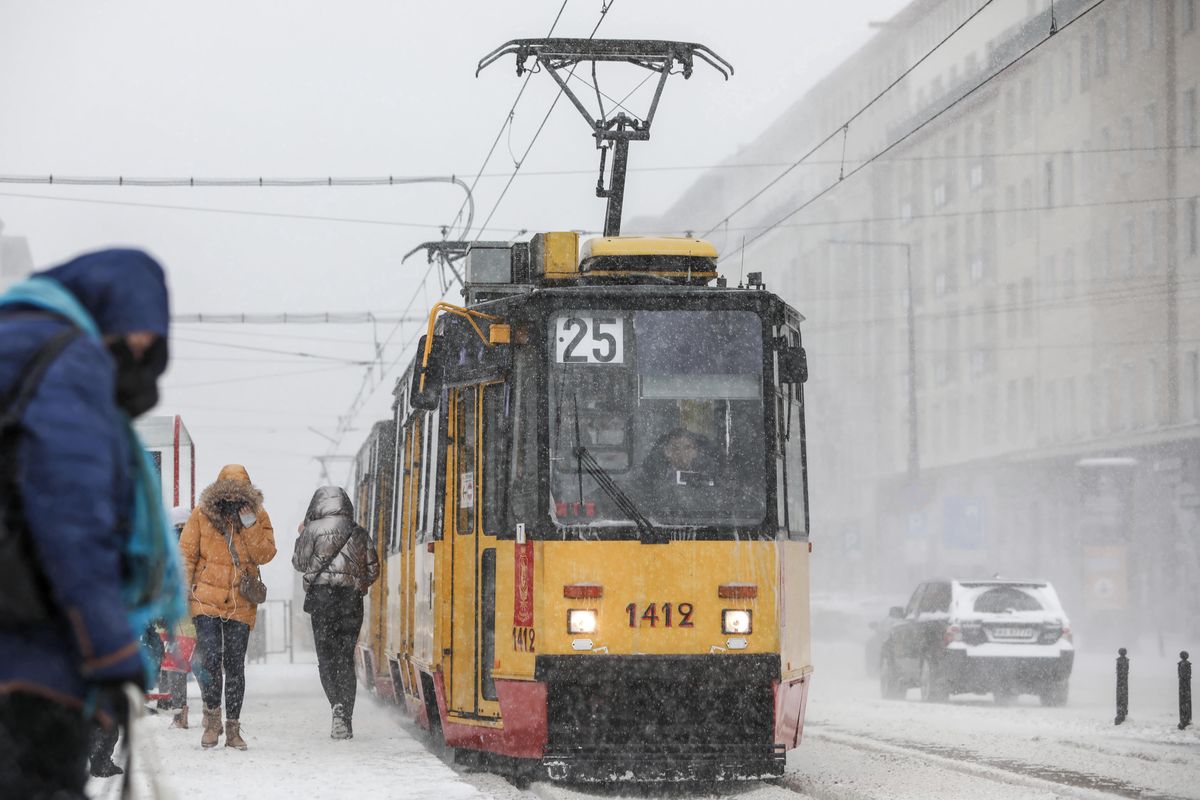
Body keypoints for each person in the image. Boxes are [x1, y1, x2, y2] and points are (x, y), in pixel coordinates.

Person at [0, 249, 184, 799]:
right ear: (109, 314)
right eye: (136, 339)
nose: (137, 356)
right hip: (30, 655)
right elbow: (73, 519)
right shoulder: (68, 362)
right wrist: (111, 650)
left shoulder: (17, 346)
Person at [180, 464, 276, 750]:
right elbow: (186, 554)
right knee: (210, 659)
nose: (233, 500)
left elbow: (265, 554)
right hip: (205, 599)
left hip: (241, 602)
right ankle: (212, 721)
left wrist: (250, 526)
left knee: (235, 665)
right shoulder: (201, 515)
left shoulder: (257, 517)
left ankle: (233, 729)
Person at [292, 486, 379, 739]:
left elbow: (299, 563)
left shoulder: (312, 530)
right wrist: (355, 584)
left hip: (322, 602)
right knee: (345, 658)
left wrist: (302, 536)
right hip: (350, 602)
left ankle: (336, 707)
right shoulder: (358, 532)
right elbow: (373, 570)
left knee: (327, 658)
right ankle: (346, 718)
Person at [157, 505, 196, 729]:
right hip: (195, 610)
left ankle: (178, 711)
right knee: (201, 666)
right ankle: (212, 712)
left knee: (173, 664)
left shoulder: (164, 547)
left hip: (172, 611)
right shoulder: (195, 542)